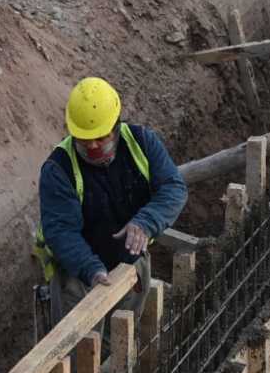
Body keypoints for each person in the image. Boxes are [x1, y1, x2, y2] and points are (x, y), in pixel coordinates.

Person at [34, 76, 188, 338]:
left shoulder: (142, 142)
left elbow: (173, 188)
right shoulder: (59, 169)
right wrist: (91, 269)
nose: (92, 146)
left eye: (100, 138)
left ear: (116, 125)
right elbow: (61, 231)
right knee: (77, 347)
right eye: (84, 140)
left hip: (129, 264)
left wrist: (144, 223)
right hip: (78, 272)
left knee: (121, 341)